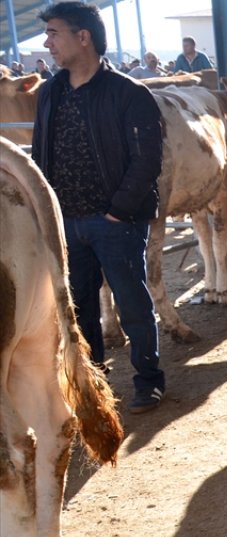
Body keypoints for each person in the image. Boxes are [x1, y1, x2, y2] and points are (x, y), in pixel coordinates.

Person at [31, 1, 166, 414]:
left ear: (82, 37)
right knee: (79, 306)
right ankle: (94, 384)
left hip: (116, 223)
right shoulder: (50, 91)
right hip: (66, 221)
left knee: (131, 302)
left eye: (54, 32)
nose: (47, 42)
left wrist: (118, 211)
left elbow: (147, 160)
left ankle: (148, 380)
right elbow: (40, 152)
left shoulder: (129, 94)